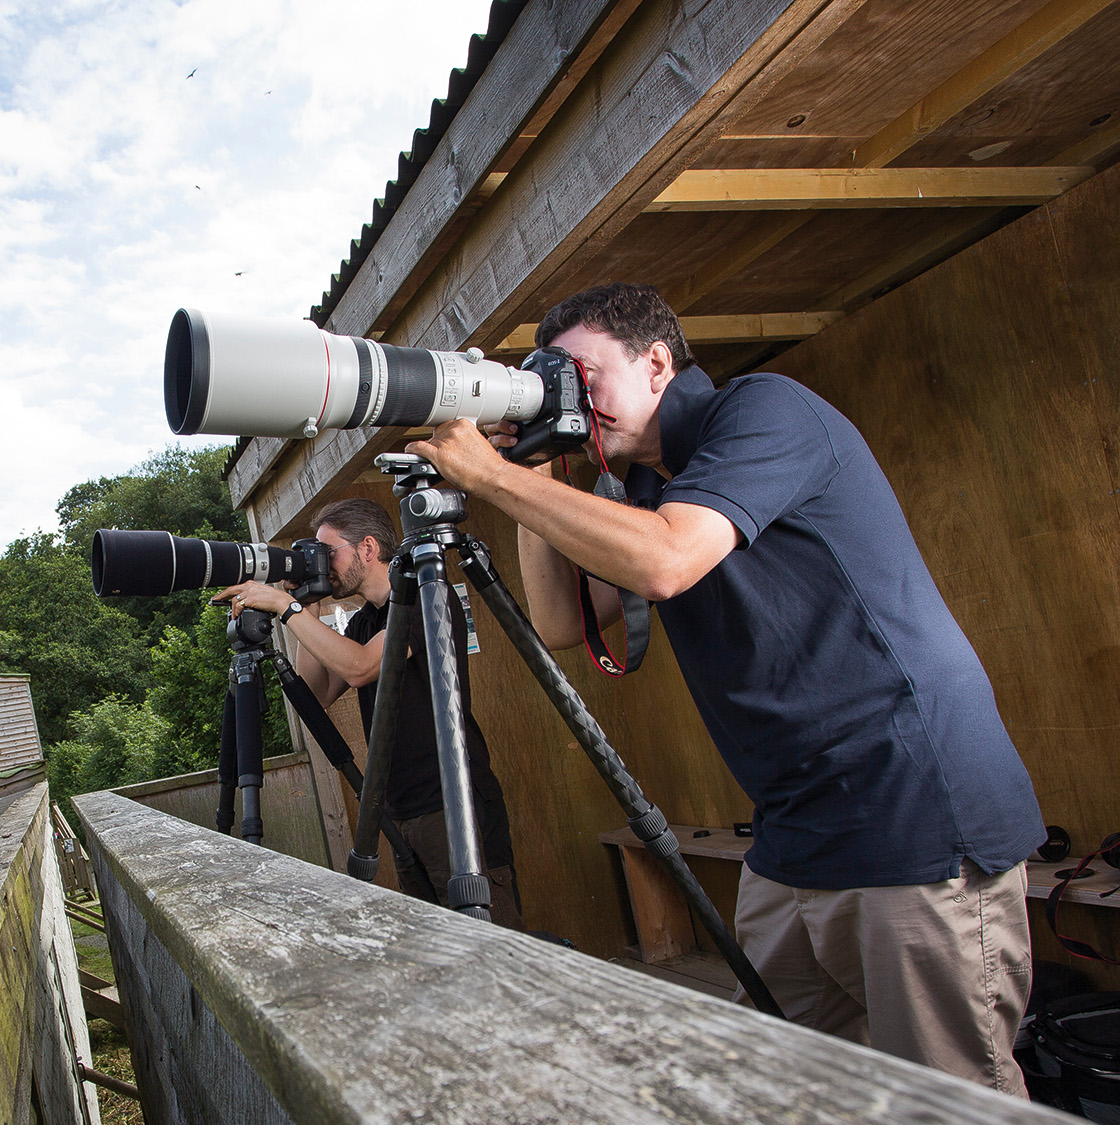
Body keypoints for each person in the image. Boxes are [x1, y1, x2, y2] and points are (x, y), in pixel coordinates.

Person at [403, 281, 1043, 1094]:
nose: (570, 395)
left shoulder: (765, 413)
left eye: (581, 375)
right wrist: (532, 463)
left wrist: (492, 477)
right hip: (792, 836)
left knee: (953, 1102)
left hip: (912, 818)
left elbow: (665, 559)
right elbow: (562, 618)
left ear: (659, 362)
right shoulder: (644, 484)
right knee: (770, 1080)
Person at [215, 498, 522, 928]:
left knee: (493, 938)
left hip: (452, 804)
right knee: (438, 943)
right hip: (399, 810)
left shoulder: (424, 596)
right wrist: (311, 607)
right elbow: (317, 692)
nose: (321, 563)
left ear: (368, 548)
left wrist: (286, 608)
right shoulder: (363, 622)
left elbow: (362, 667)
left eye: (328, 552)